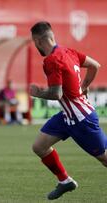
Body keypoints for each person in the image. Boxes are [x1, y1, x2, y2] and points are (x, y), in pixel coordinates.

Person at [29, 21, 107, 200]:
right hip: (68, 116)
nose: (36, 46)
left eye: (35, 42)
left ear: (39, 41)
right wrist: (84, 85)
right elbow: (95, 65)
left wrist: (38, 92)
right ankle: (65, 181)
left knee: (104, 158)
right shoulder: (68, 51)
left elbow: (56, 94)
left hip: (81, 119)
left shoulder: (51, 60)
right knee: (39, 146)